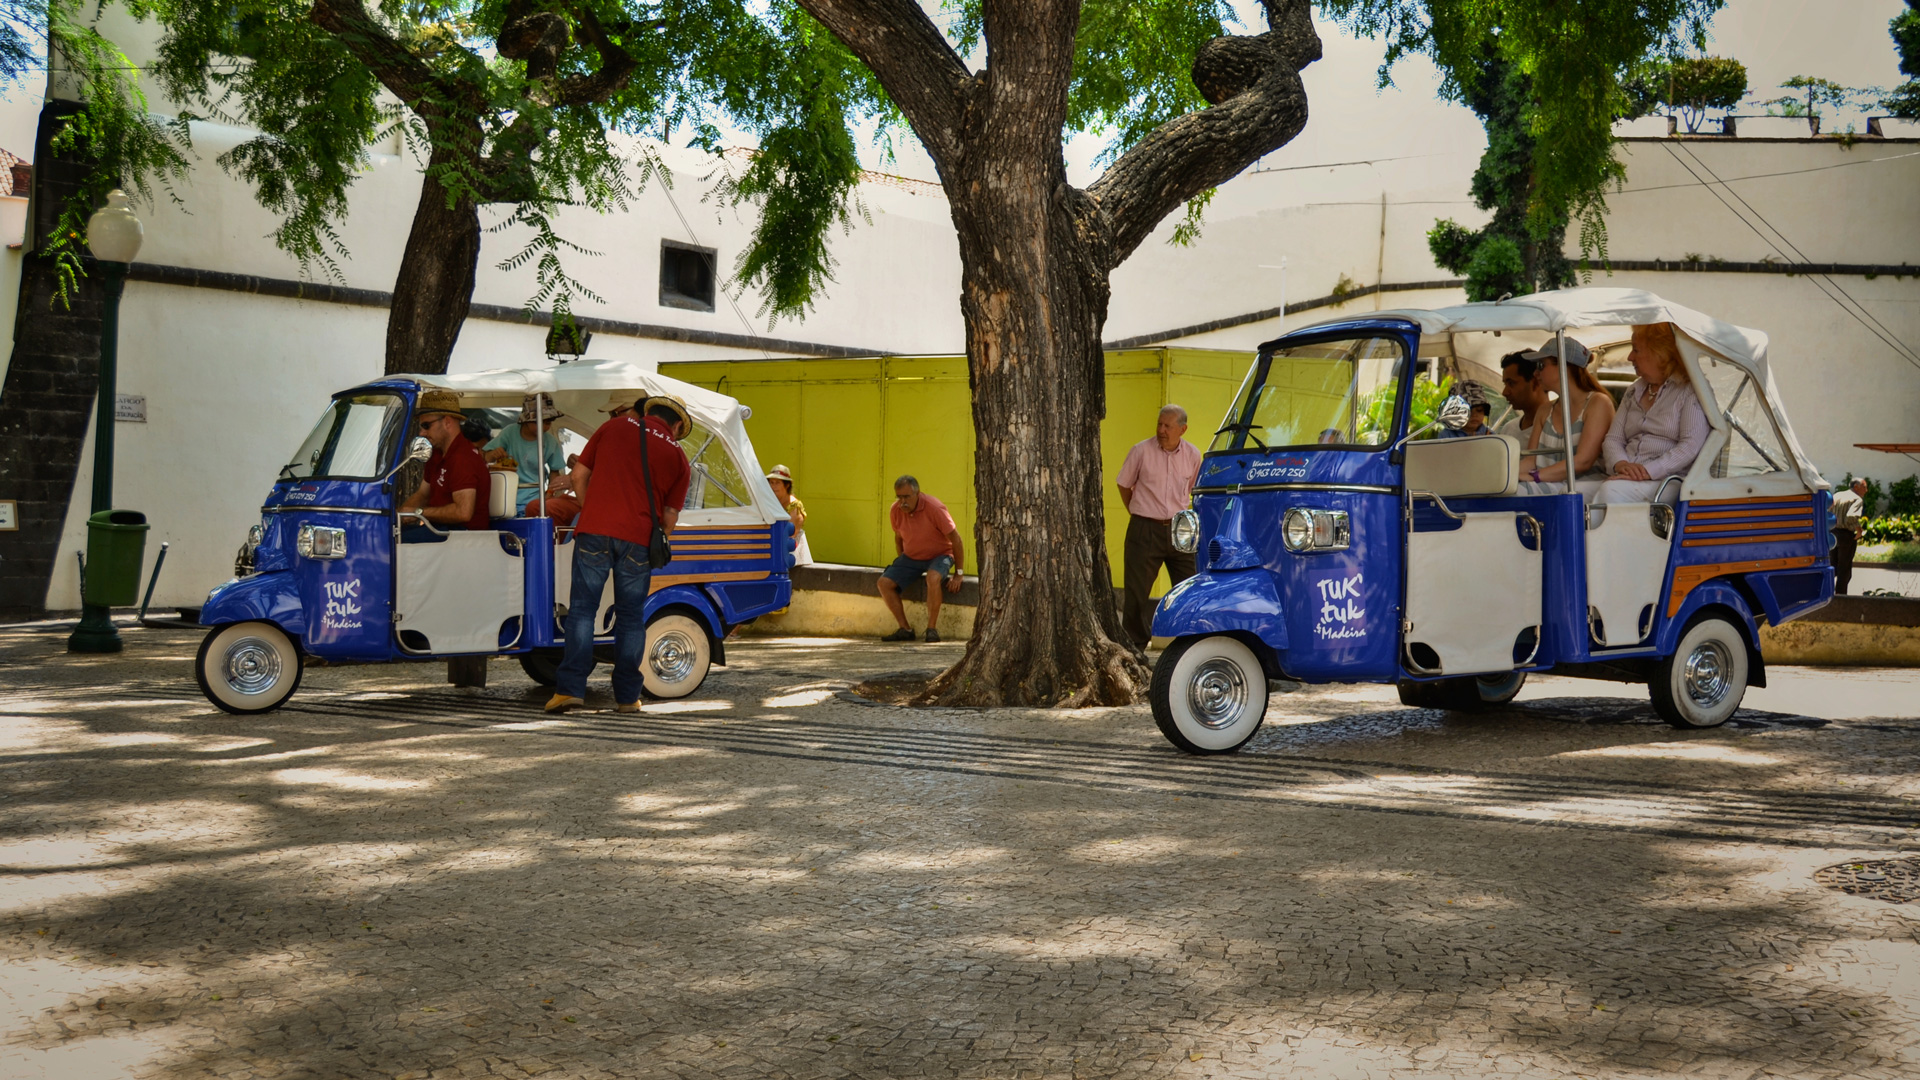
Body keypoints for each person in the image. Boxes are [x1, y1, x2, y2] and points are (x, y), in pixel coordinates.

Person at [545, 396, 693, 714]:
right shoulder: (679, 458)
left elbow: (578, 477)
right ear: (677, 425)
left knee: (583, 611)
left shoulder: (613, 427)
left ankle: (570, 691)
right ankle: (628, 697)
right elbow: (669, 518)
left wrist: (592, 510)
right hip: (638, 540)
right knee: (630, 618)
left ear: (648, 411)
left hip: (595, 531)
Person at [1116, 404, 1203, 650]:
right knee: (1136, 593)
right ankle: (1135, 646)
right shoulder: (1140, 451)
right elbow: (1124, 484)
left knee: (1189, 588)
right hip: (1144, 528)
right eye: (1159, 424)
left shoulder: (1193, 455)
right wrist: (1137, 510)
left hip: (1179, 532)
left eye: (1168, 426)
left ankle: (1189, 644)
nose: (1161, 430)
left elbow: (1194, 492)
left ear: (1182, 429)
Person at [1597, 321, 1710, 505]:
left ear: (1660, 354)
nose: (1630, 357)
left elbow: (1690, 446)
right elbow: (1613, 439)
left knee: (1611, 491)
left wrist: (1646, 471)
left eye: (1636, 350)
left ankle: (1597, 535)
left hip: (1669, 482)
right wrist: (1622, 465)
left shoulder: (1690, 389)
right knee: (1571, 493)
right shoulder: (1634, 390)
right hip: (1627, 477)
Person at [1515, 338, 1615, 494]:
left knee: (1518, 492)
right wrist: (1502, 476)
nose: (1535, 373)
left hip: (1581, 490)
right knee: (1501, 491)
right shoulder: (1544, 410)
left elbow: (1583, 461)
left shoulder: (1598, 403)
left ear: (1564, 366)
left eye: (1541, 365)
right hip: (1547, 486)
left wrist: (1535, 477)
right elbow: (1530, 461)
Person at [878, 475, 965, 643]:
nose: (902, 501)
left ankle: (931, 629)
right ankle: (905, 629)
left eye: (906, 497)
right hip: (911, 557)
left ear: (917, 493)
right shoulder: (895, 510)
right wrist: (903, 566)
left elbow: (956, 540)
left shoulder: (934, 508)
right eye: (899, 497)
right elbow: (898, 538)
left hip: (940, 555)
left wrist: (958, 574)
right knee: (883, 583)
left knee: (933, 578)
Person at [400, 390, 490, 542]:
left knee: (392, 542)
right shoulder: (436, 454)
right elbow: (423, 494)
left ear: (447, 422)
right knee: (389, 534)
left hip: (464, 537)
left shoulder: (463, 458)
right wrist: (399, 517)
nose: (422, 433)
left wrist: (418, 512)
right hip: (442, 530)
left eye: (426, 425)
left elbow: (463, 512)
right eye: (421, 426)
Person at [483, 392, 571, 514]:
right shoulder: (510, 433)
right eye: (540, 422)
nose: (544, 427)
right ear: (527, 420)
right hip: (505, 498)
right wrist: (493, 454)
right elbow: (484, 457)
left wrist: (549, 494)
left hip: (536, 500)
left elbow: (555, 471)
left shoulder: (550, 441)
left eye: (548, 423)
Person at [766, 464, 812, 566]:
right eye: (771, 483)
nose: (773, 487)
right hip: (773, 549)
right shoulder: (770, 503)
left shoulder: (794, 505)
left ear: (787, 485)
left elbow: (792, 533)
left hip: (793, 553)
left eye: (777, 483)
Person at [1831, 477, 1868, 594]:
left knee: (1832, 566)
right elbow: (1851, 516)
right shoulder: (1857, 499)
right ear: (1856, 487)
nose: (1866, 490)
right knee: (1844, 569)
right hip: (1846, 535)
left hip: (1832, 534)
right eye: (1864, 487)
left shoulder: (1837, 495)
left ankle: (1826, 593)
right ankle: (1841, 597)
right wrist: (1859, 530)